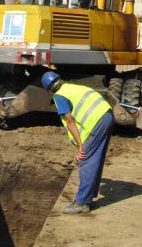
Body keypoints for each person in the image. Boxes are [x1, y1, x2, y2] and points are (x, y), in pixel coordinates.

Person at [41, 71, 114, 214]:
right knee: (95, 158)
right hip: (107, 115)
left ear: (49, 89)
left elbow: (70, 121)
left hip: (97, 122)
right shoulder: (72, 87)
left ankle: (82, 203)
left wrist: (81, 147)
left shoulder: (59, 96)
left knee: (85, 159)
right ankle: (88, 196)